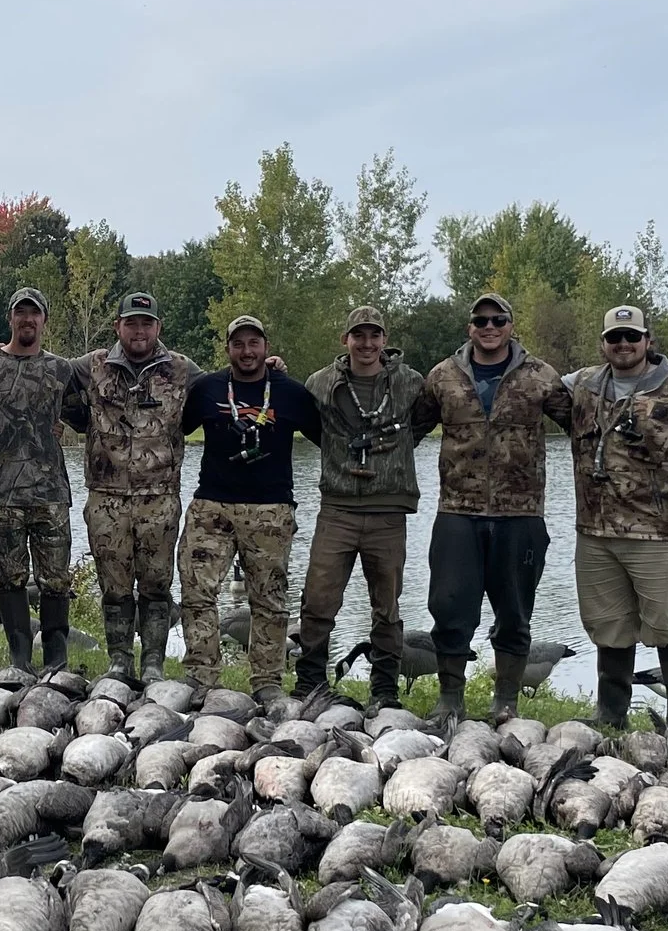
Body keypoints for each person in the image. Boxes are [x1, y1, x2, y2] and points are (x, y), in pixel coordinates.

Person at [563, 304, 668, 740]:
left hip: (660, 533)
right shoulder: (584, 384)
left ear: (648, 341)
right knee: (608, 624)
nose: (624, 344)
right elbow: (537, 386)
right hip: (595, 532)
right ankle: (611, 714)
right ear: (603, 344)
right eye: (614, 338)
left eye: (632, 336)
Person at [419, 292, 574, 725]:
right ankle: (450, 698)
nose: (490, 327)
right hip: (457, 511)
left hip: (521, 514)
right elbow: (407, 430)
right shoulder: (442, 376)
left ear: (510, 325)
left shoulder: (540, 375)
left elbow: (583, 427)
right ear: (470, 327)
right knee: (450, 608)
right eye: (481, 320)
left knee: (514, 612)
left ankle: (506, 700)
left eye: (498, 320)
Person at [297, 307, 440, 709]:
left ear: (384, 339)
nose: (366, 343)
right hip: (337, 509)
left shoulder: (410, 382)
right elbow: (314, 427)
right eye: (358, 335)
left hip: (388, 512)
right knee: (318, 599)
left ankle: (384, 690)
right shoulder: (320, 383)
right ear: (345, 339)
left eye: (374, 335)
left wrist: (393, 456)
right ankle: (310, 683)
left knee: (387, 605)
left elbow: (423, 422)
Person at [176, 315, 322, 701]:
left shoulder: (290, 392)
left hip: (270, 510)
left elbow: (328, 438)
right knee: (196, 590)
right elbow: (174, 429)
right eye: (238, 344)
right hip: (213, 506)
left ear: (266, 348)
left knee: (269, 599)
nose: (246, 351)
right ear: (228, 349)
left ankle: (267, 681)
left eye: (253, 343)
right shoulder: (207, 388)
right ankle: (202, 676)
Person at [64, 291, 196, 682]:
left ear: (158, 327)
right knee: (115, 587)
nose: (139, 331)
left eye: (146, 323)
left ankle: (153, 663)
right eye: (131, 323)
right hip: (107, 500)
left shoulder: (182, 369)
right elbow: (42, 368)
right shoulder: (92, 366)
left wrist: (271, 368)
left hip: (160, 500)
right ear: (117, 326)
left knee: (157, 586)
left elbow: (229, 386)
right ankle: (119, 660)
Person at [0, 286, 82, 673]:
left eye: (35, 313)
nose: (28, 319)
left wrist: (61, 426)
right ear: (11, 318)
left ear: (44, 320)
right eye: (21, 312)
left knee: (56, 579)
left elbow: (85, 415)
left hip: (51, 494)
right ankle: (19, 658)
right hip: (1, 494)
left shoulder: (61, 369)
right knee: (11, 577)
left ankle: (56, 659)